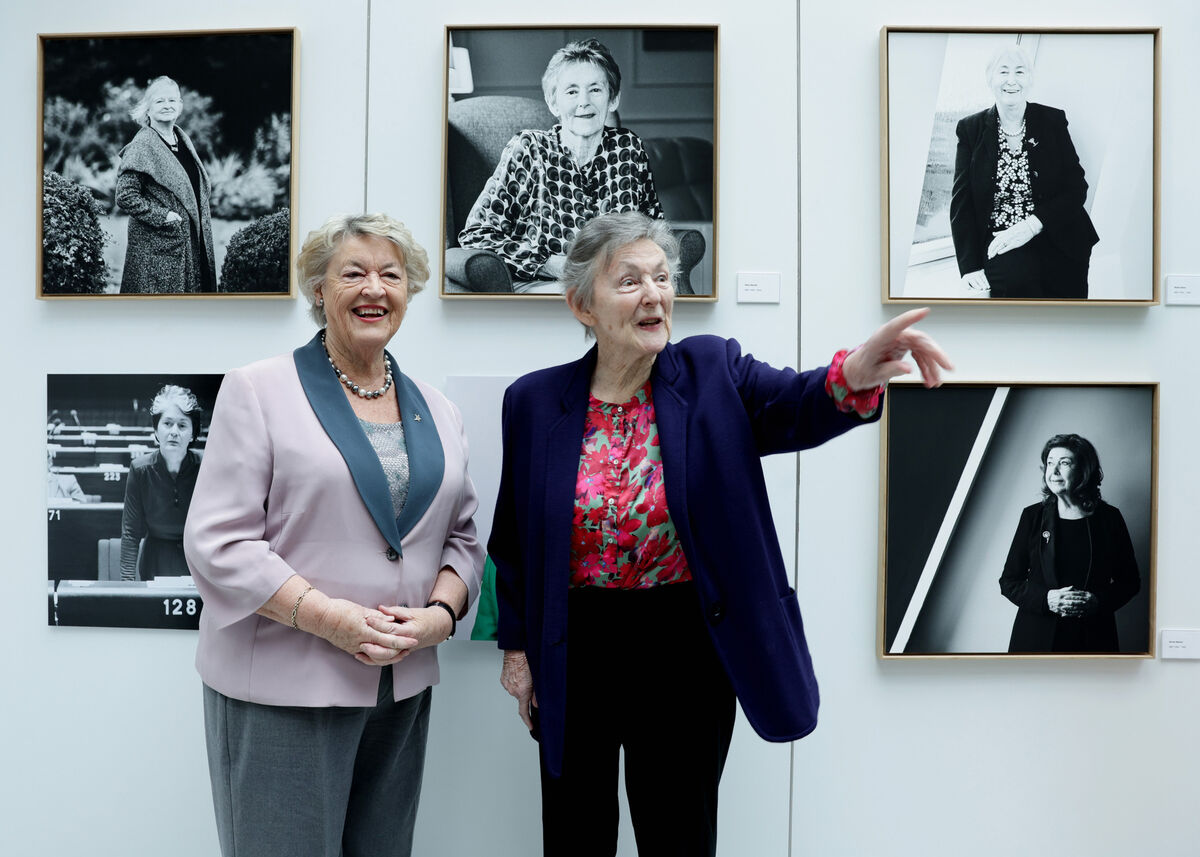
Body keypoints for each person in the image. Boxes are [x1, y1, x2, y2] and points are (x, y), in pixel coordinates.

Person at [491, 211, 952, 856]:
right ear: (581, 304)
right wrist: (518, 650)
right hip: (576, 642)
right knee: (574, 833)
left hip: (684, 643)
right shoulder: (534, 401)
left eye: (661, 277)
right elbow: (511, 537)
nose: (653, 295)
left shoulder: (713, 372)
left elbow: (791, 405)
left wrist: (852, 373)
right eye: (628, 281)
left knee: (678, 832)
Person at [183, 213, 483, 857]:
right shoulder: (257, 390)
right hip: (283, 691)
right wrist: (328, 619)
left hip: (398, 688)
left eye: (391, 275)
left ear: (410, 292)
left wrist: (439, 616)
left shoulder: (440, 409)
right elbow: (218, 543)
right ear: (319, 289)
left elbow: (462, 536)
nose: (374, 288)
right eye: (354, 273)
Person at [458, 38, 663, 288]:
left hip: (618, 286)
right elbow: (477, 235)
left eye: (595, 89)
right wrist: (546, 263)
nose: (584, 101)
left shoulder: (628, 148)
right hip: (547, 283)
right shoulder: (530, 149)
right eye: (572, 91)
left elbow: (653, 226)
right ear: (554, 102)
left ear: (613, 99)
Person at [949, 46, 1099, 299]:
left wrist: (1031, 226)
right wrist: (969, 267)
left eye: (1020, 72)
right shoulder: (970, 129)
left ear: (1029, 79)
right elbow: (961, 202)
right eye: (1003, 72)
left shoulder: (1052, 120)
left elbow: (1076, 188)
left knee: (1068, 316)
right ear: (990, 79)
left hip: (1058, 233)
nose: (1011, 80)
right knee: (1016, 289)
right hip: (1003, 240)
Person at [999, 433, 1140, 653]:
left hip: (1093, 639)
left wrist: (1097, 602)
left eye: (1064, 463)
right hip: (1036, 638)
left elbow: (1130, 582)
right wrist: (1047, 599)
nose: (1053, 472)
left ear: (1084, 470)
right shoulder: (1032, 516)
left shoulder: (1110, 518)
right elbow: (1009, 582)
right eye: (1049, 463)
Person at [116, 75, 216, 294]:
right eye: (160, 101)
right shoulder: (142, 145)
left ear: (180, 106)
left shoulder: (182, 139)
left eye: (172, 100)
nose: (167, 105)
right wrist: (163, 216)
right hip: (158, 247)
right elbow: (125, 196)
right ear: (147, 109)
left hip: (190, 243)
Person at [119, 385, 204, 580]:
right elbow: (131, 533)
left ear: (193, 433)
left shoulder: (207, 467)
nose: (174, 432)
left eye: (182, 425)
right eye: (167, 423)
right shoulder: (139, 469)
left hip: (199, 563)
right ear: (156, 430)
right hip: (154, 563)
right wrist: (127, 584)